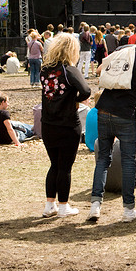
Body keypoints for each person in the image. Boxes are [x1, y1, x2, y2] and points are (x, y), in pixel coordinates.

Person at [88, 24, 136, 223]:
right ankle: (128, 209)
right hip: (125, 113)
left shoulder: (126, 50)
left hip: (104, 109)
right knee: (128, 160)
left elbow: (99, 69)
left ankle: (95, 205)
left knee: (103, 159)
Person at [38, 33, 91, 218]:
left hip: (48, 123)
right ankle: (63, 206)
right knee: (65, 167)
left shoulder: (44, 69)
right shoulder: (70, 70)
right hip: (68, 124)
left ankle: (49, 205)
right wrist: (73, 100)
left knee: (54, 164)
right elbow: (86, 91)